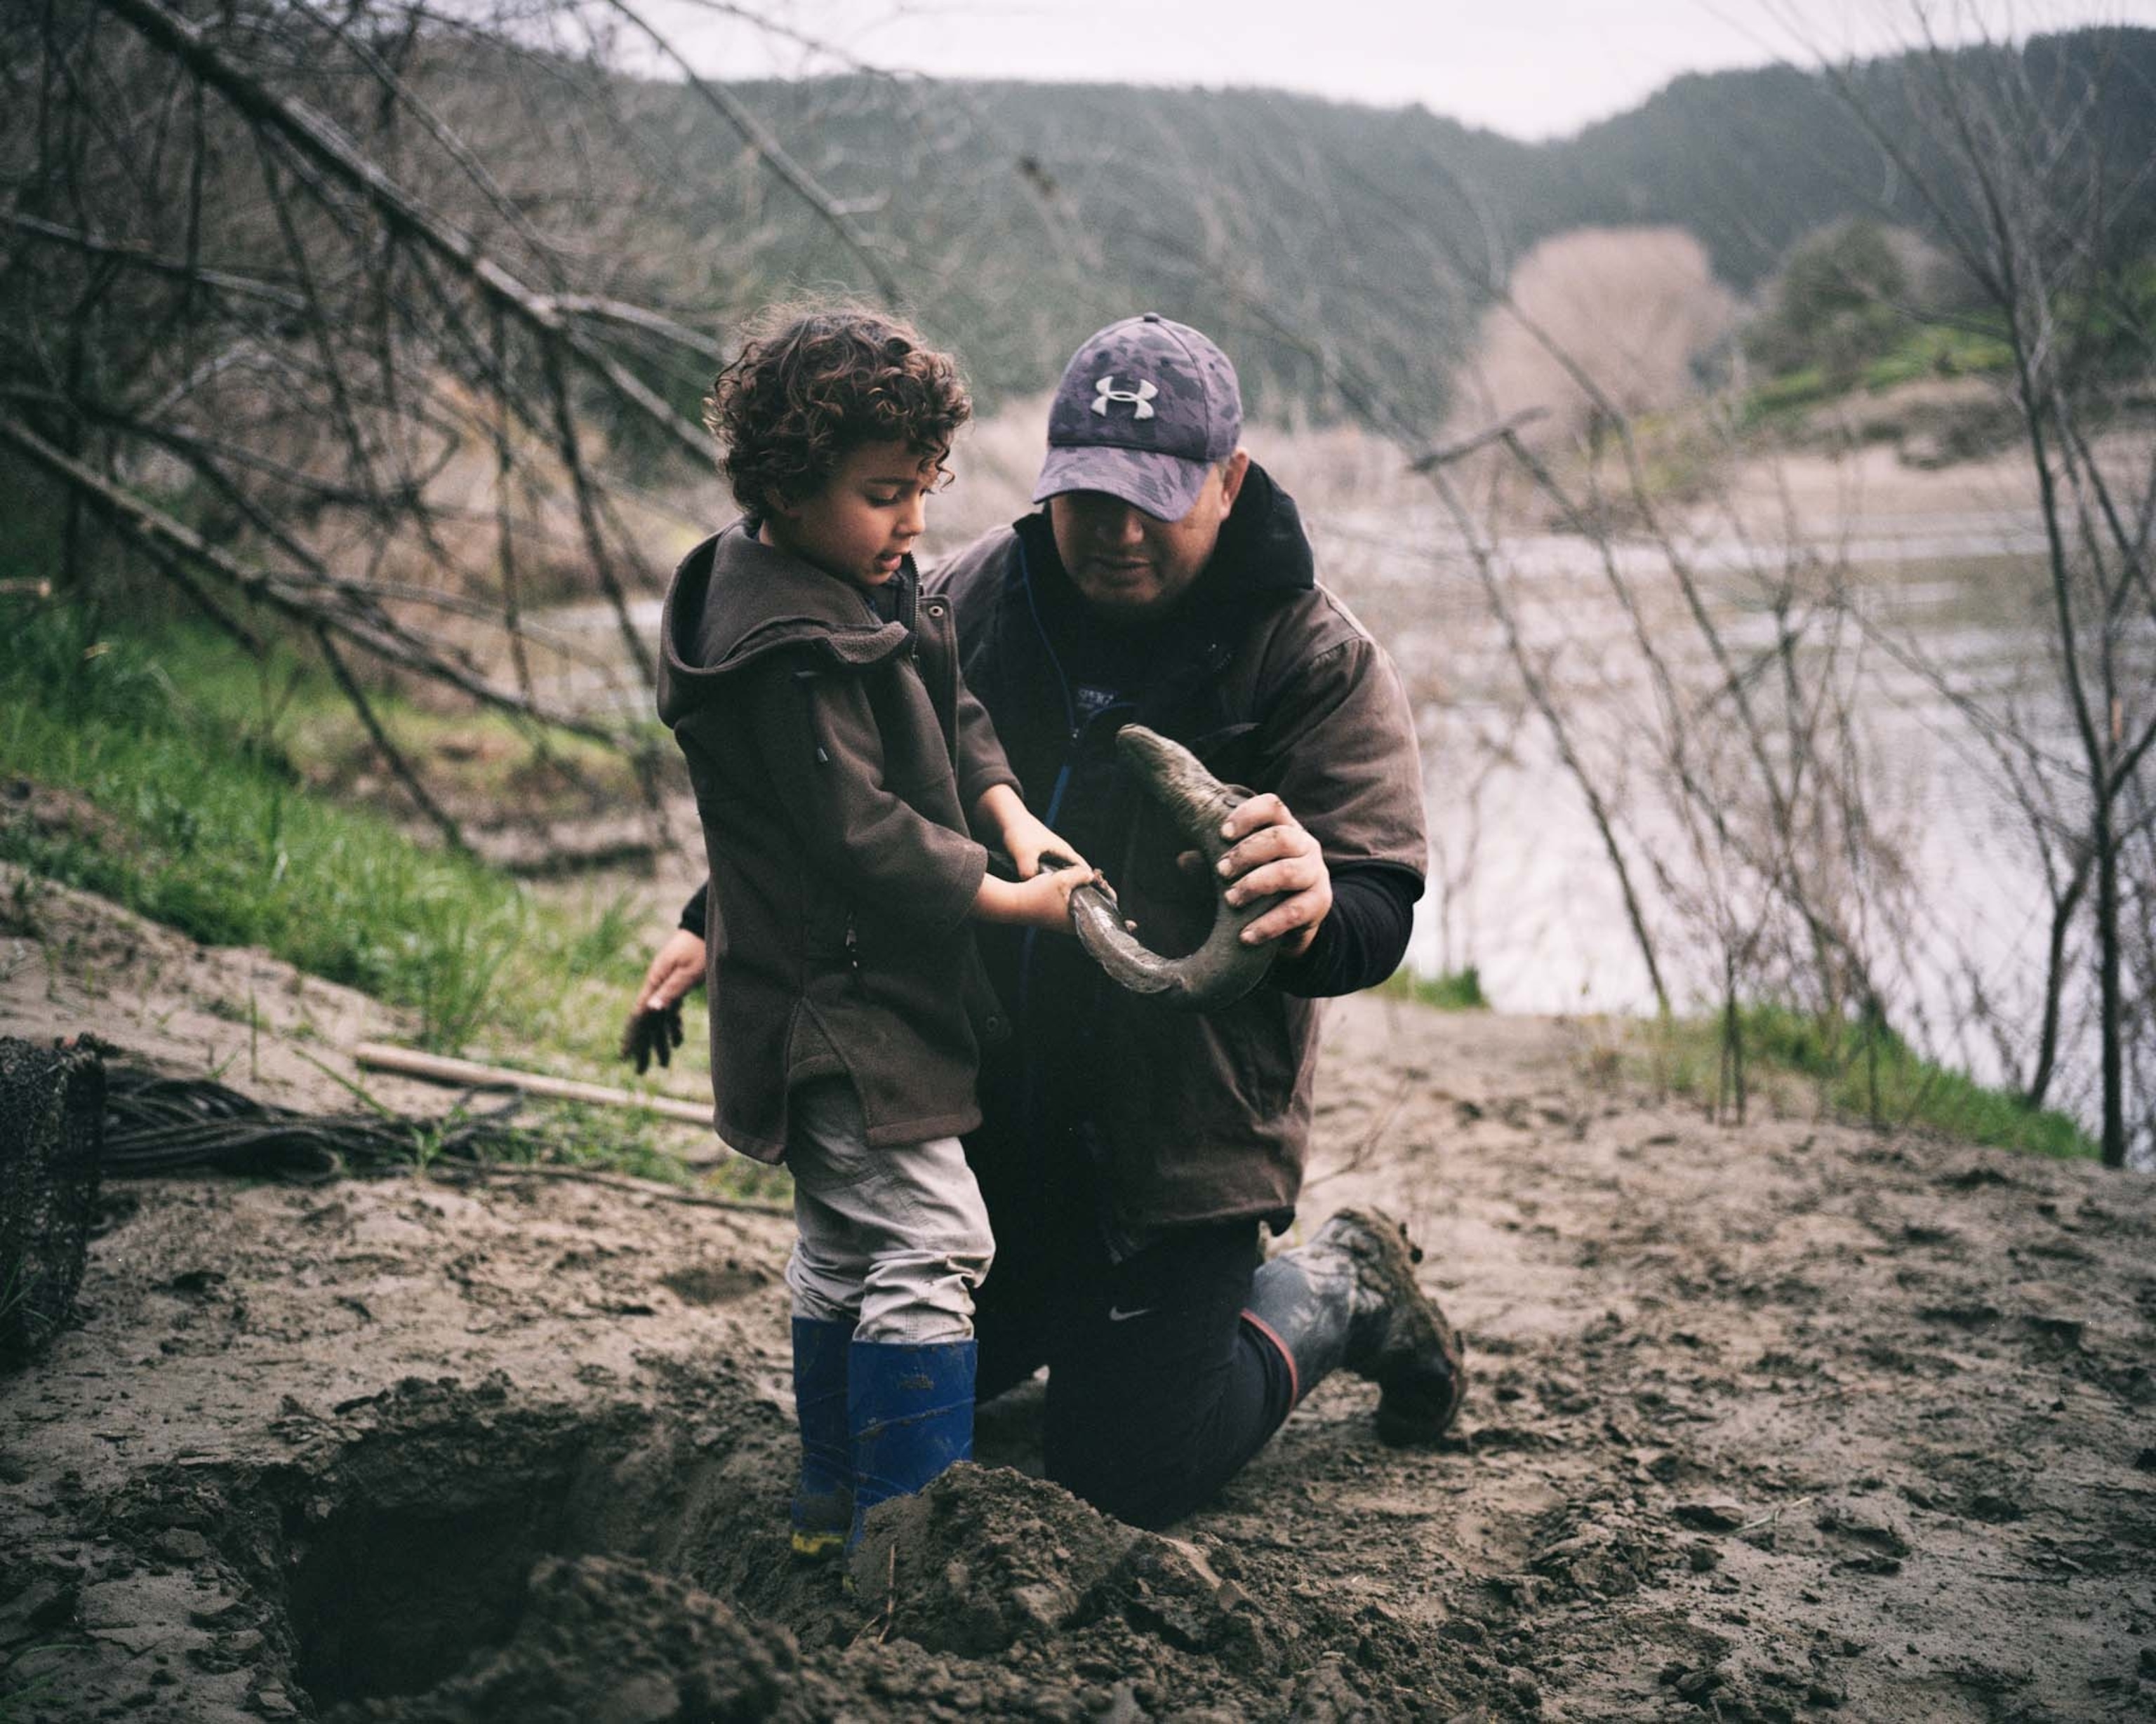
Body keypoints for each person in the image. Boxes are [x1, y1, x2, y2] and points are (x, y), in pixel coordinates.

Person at [633, 313, 1464, 1532]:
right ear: (1048, 481)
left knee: (1126, 1471)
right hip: (983, 1111)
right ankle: (1070, 1324)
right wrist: (718, 919)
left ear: (1229, 482)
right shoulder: (958, 592)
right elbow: (835, 793)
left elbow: (1380, 901)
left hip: (1176, 1155)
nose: (1118, 534)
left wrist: (1323, 899)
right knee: (913, 1358)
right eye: (1089, 498)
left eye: (1156, 500)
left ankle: (1339, 1284)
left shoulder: (1314, 656)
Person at [646, 305, 1090, 1560]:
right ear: (781, 487)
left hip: (861, 996)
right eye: (881, 494)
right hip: (831, 1007)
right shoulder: (782, 648)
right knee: (938, 1237)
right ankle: (907, 1532)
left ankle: (828, 1506)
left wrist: (1007, 811)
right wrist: (1004, 902)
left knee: (846, 1240)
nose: (911, 526)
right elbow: (858, 832)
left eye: (922, 493)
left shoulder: (859, 579)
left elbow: (949, 698)